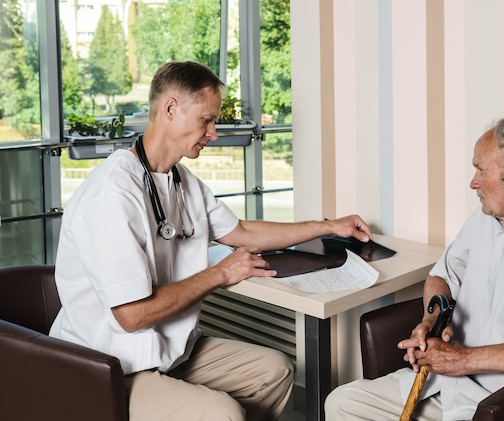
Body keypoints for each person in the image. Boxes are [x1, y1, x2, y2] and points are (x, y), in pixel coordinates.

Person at [50, 61, 373, 421]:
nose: (214, 132)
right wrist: (220, 274)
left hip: (170, 352)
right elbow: (132, 315)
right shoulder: (112, 195)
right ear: (170, 109)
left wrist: (327, 226)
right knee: (224, 413)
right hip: (108, 366)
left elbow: (244, 234)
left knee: (276, 371)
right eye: (206, 120)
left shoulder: (181, 181)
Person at [324, 118, 504, 420]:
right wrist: (430, 322)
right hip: (443, 385)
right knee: (341, 403)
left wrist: (464, 359)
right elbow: (441, 277)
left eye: (481, 170)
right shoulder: (487, 216)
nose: (473, 182)